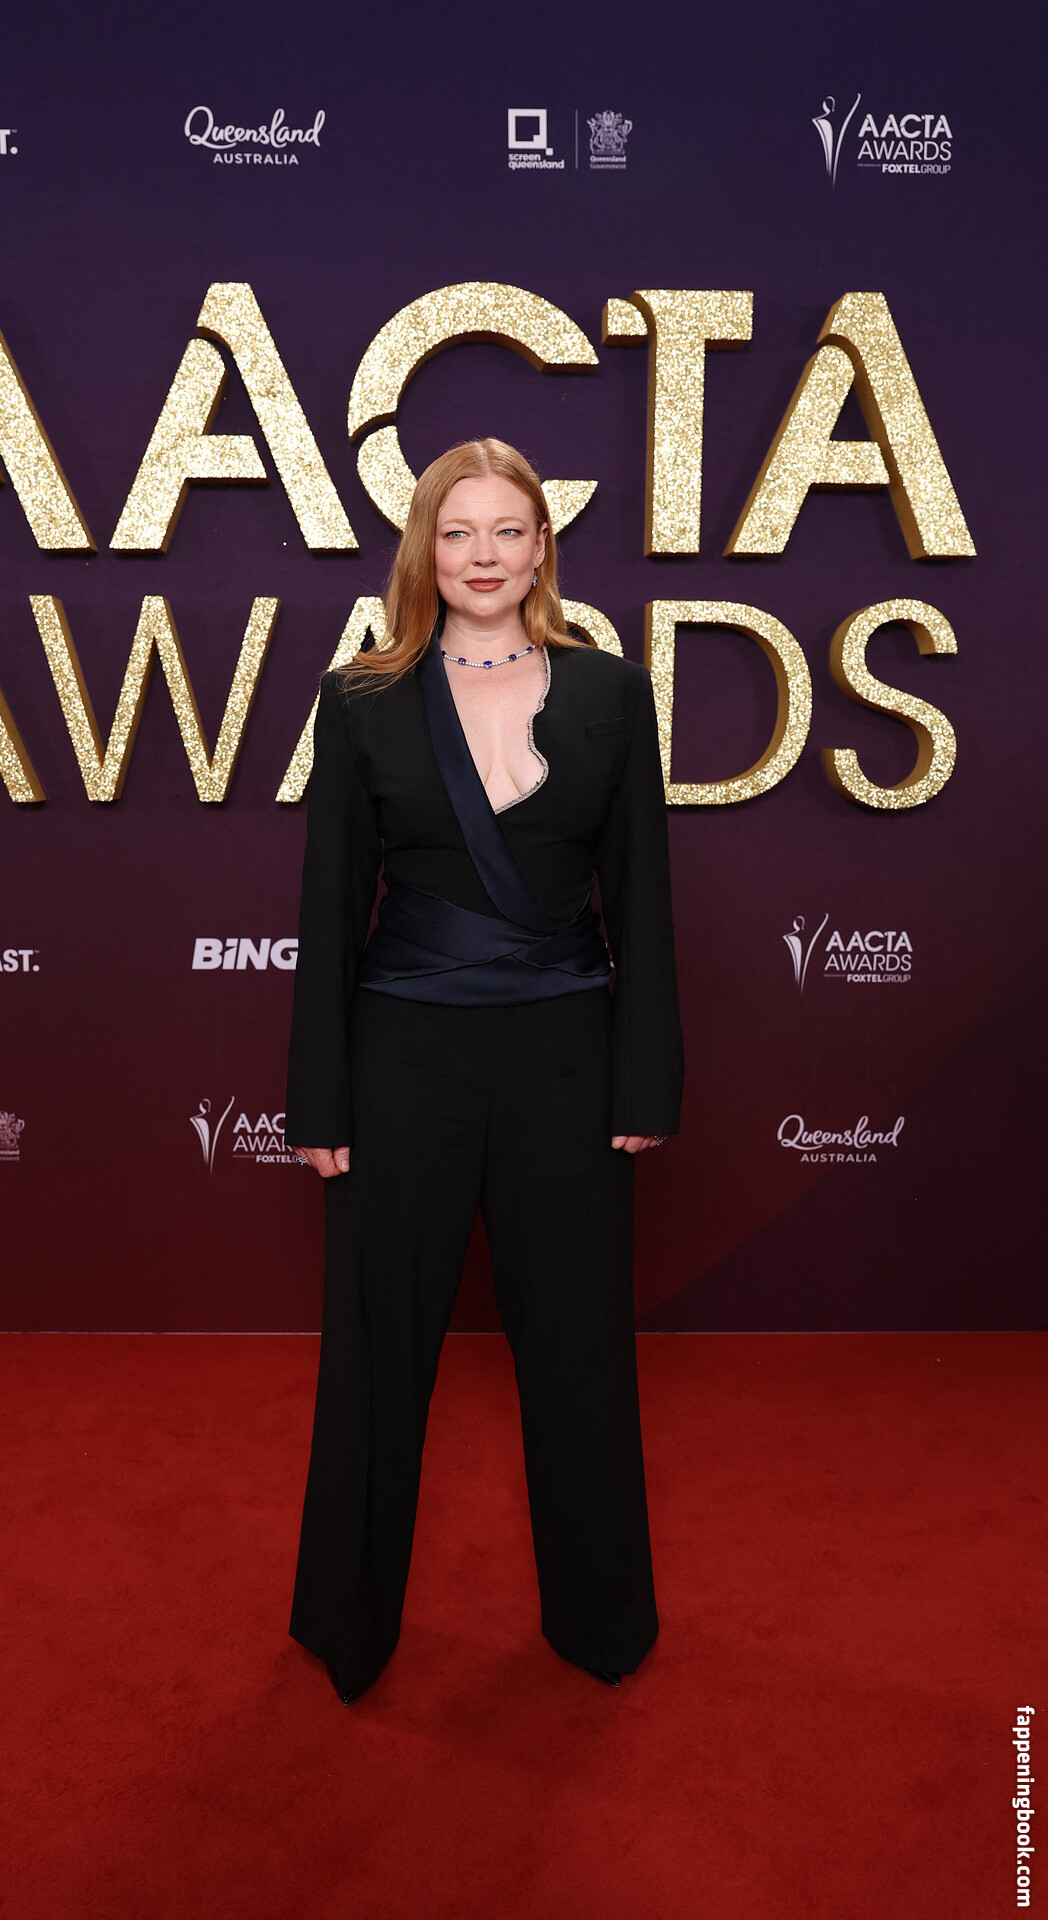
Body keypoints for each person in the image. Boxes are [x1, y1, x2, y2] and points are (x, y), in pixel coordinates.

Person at [284, 438, 683, 1704]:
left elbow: (642, 899)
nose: (482, 555)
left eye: (507, 530)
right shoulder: (359, 699)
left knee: (578, 1349)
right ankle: (348, 1624)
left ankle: (600, 1621)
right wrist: (318, 1098)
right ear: (423, 548)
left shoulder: (612, 693)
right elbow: (329, 907)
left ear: (541, 547)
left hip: (566, 1055)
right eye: (456, 532)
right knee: (375, 1350)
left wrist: (643, 1082)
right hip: (402, 1055)